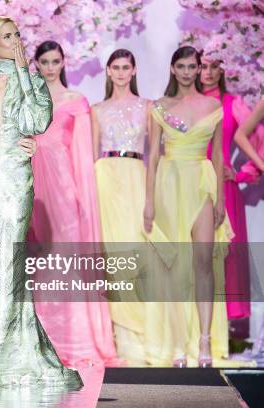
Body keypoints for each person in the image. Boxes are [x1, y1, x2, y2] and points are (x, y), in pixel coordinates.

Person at [0, 17, 82, 387]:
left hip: (13, 174)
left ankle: (8, 355)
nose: (15, 41)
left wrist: (26, 71)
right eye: (7, 37)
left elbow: (38, 119)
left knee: (9, 261)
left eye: (17, 35)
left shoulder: (34, 81)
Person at [29, 40, 117, 367]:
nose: (50, 67)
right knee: (38, 264)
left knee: (64, 262)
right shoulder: (28, 100)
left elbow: (82, 154)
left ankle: (74, 341)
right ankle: (40, 342)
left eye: (55, 61)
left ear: (63, 62)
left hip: (64, 188)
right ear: (36, 64)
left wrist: (81, 197)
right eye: (45, 62)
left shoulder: (76, 102)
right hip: (32, 188)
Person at [144, 46, 231, 367]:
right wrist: (149, 201)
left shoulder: (212, 105)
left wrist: (221, 198)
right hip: (169, 185)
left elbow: (219, 155)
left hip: (200, 181)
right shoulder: (159, 107)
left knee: (203, 263)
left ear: (198, 69)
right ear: (172, 68)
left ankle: (204, 340)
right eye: (180, 66)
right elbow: (152, 156)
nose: (185, 71)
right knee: (175, 267)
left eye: (191, 66)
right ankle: (179, 342)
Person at [92, 49, 153, 366]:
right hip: (106, 178)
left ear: (133, 70)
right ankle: (117, 338)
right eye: (115, 67)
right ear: (108, 71)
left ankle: (141, 335)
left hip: (135, 177)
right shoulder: (97, 110)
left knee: (136, 254)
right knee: (111, 257)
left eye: (125, 67)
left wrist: (152, 197)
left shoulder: (147, 107)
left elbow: (156, 155)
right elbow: (91, 157)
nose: (120, 72)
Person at [200, 57, 264, 334]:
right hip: (190, 186)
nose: (209, 72)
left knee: (226, 254)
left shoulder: (232, 103)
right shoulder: (182, 103)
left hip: (223, 189)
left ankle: (224, 331)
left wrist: (242, 173)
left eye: (215, 66)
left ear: (224, 70)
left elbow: (258, 137)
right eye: (203, 66)